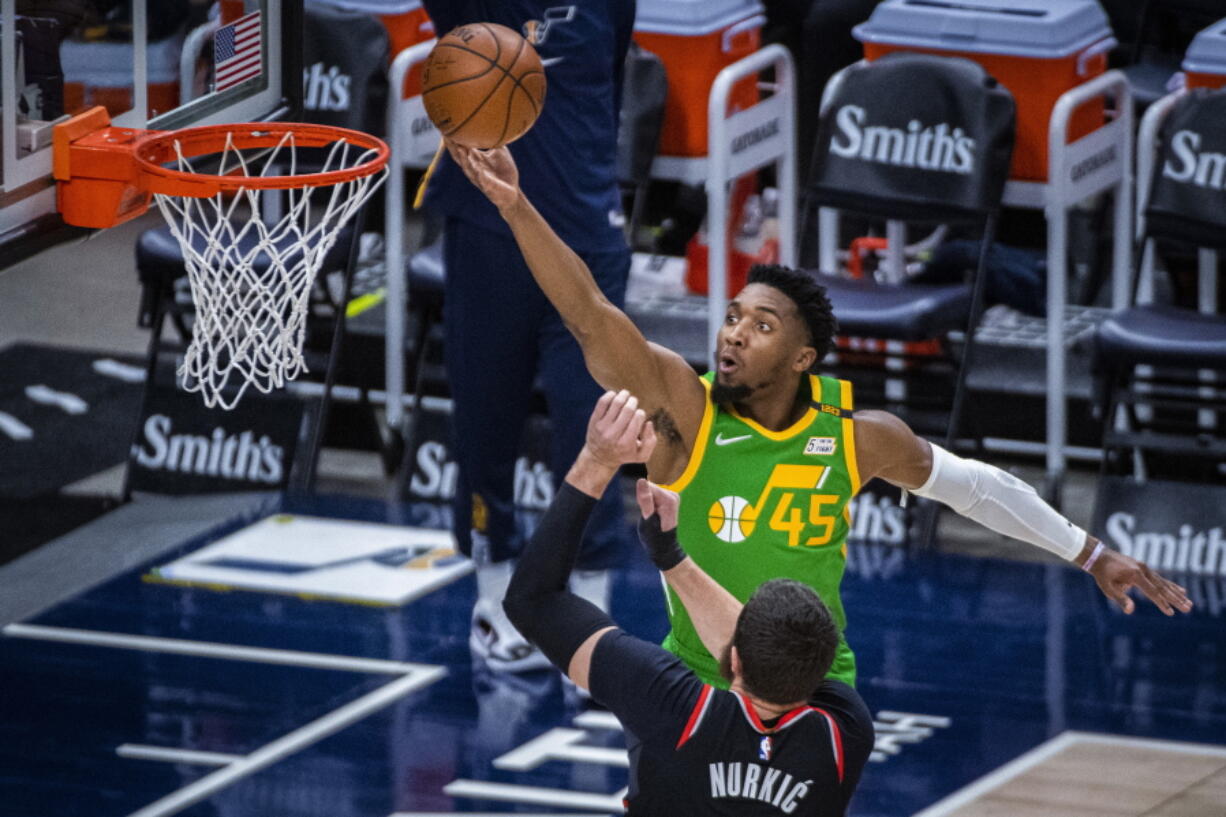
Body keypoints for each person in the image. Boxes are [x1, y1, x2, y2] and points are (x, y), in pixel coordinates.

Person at [444, 139, 1196, 689]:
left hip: (817, 687)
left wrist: (1091, 553)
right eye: (734, 315)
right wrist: (516, 206)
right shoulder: (686, 408)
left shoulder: (855, 437)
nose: (734, 331)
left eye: (761, 325)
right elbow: (588, 312)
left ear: (804, 358)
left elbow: (976, 488)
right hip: (700, 686)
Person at [504, 389, 875, 816]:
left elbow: (532, 600)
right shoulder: (844, 732)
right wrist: (671, 560)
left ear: (734, 659)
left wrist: (598, 460)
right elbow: (763, 652)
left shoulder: (674, 707)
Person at [418, 0, 637, 672]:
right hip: (486, 236)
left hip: (587, 234)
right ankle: (492, 597)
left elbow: (615, 80)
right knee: (485, 420)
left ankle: (590, 614)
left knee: (596, 424)